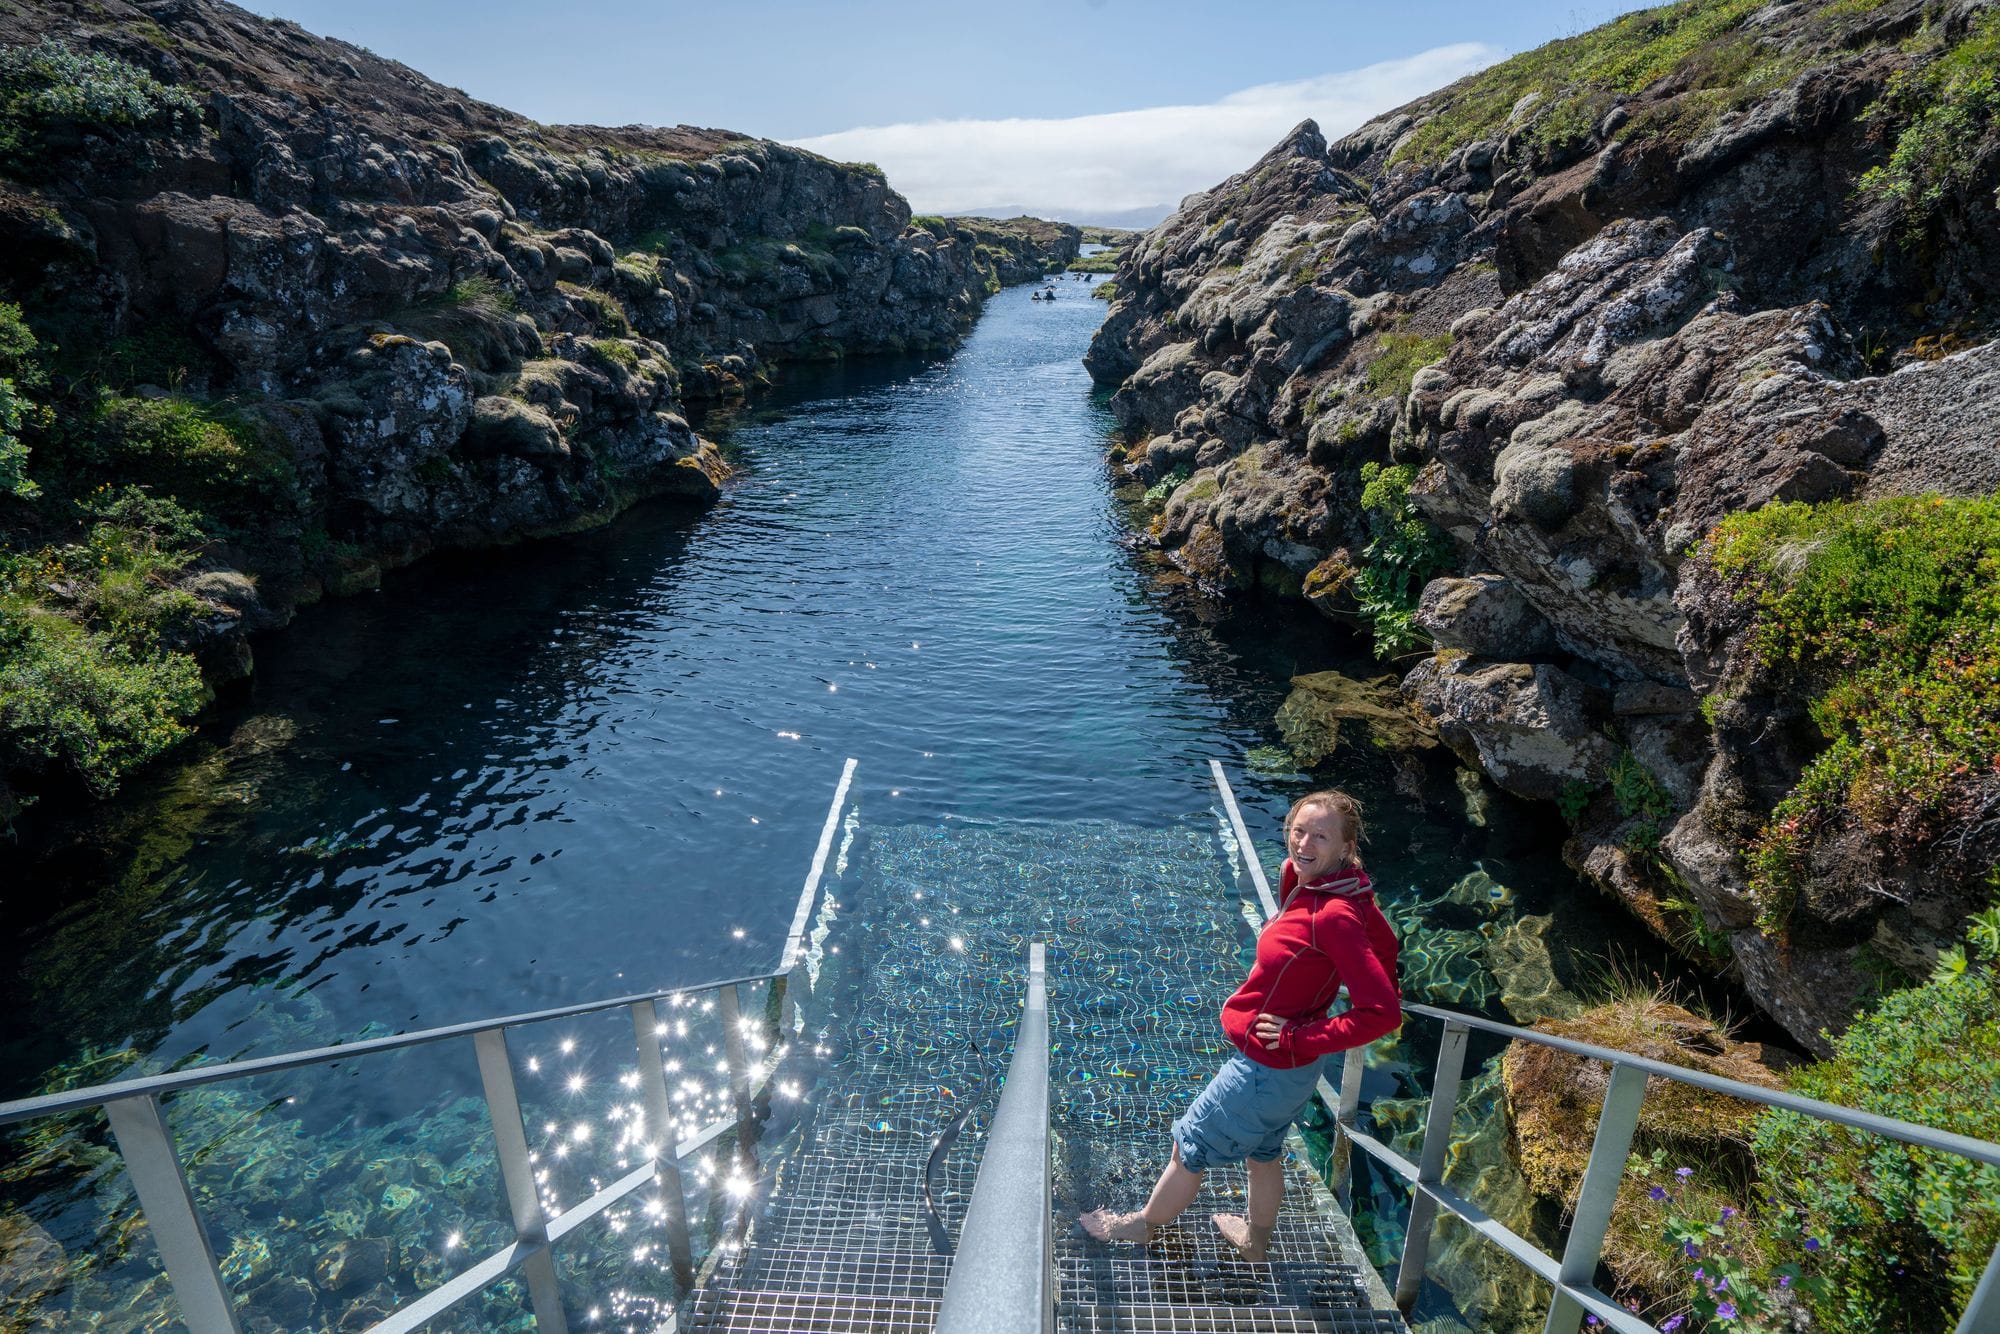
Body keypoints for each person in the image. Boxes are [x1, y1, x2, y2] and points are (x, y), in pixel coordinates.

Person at [1078, 789, 1401, 1261]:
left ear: (1346, 846)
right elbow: (1386, 952)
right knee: (1263, 1154)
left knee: (1188, 1147)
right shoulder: (1326, 883)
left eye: (1321, 836)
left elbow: (1383, 1011)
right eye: (1298, 830)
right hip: (1287, 1072)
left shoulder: (1334, 915)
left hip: (1265, 1069)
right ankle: (1256, 1243)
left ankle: (1141, 1226)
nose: (1304, 844)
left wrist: (1302, 1033)